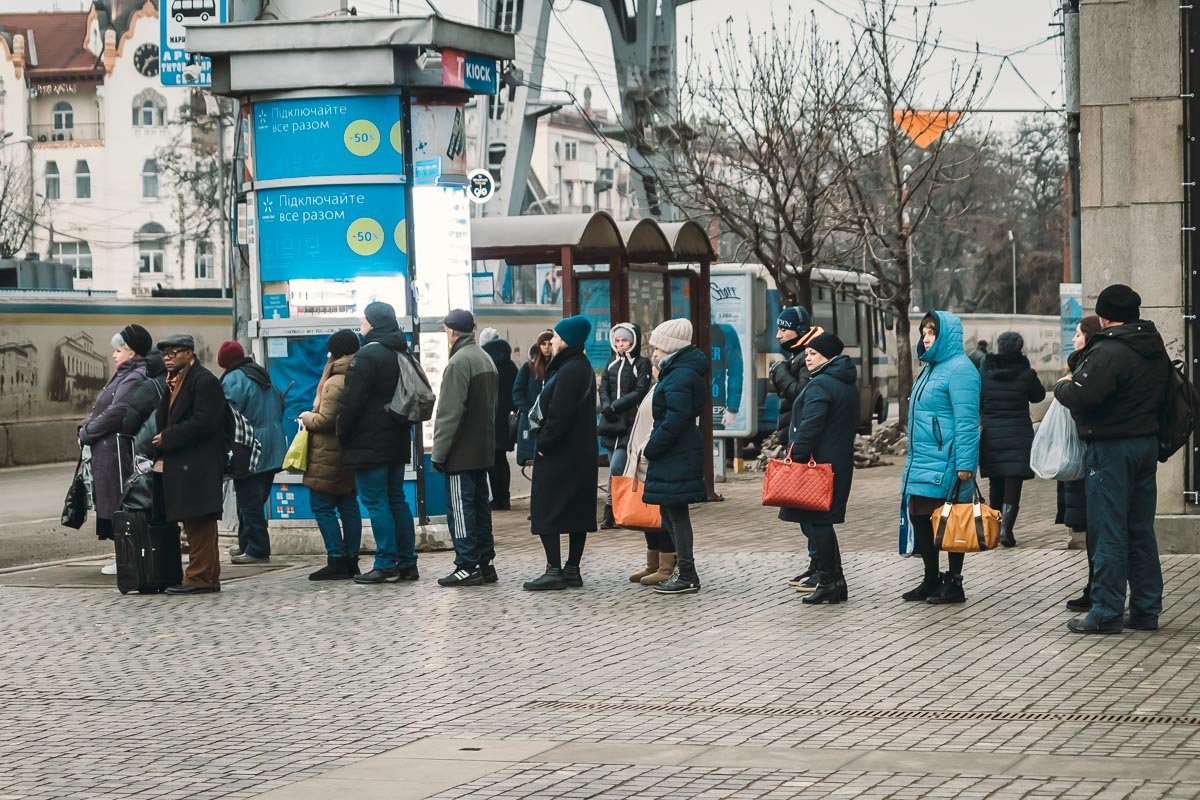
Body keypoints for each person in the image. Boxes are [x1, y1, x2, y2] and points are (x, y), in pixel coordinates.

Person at [1055, 285, 1170, 634]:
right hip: (1145, 444)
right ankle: (1146, 609)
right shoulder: (1153, 346)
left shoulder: (1109, 350)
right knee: (1140, 529)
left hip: (1111, 450)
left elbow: (1083, 394)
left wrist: (1062, 385)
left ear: (1105, 317)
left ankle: (1105, 611)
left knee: (1109, 529)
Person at [899, 311, 981, 605]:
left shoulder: (961, 370)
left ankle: (954, 582)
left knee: (953, 521)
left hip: (948, 461)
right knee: (920, 517)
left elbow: (967, 422)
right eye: (924, 332)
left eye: (932, 332)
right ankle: (931, 578)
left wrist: (965, 465)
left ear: (946, 335)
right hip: (923, 460)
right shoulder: (931, 368)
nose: (926, 338)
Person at [338, 301, 419, 585]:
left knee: (376, 501)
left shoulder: (367, 355)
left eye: (363, 319)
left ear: (372, 323)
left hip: (369, 442)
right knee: (396, 499)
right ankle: (407, 562)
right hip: (397, 438)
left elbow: (351, 402)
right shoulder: (401, 351)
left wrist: (342, 433)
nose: (361, 324)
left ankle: (386, 563)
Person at [780, 333, 858, 605]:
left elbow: (810, 427)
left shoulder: (821, 384)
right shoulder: (844, 382)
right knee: (824, 521)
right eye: (807, 354)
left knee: (819, 523)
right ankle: (835, 581)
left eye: (813, 353)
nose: (808, 358)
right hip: (838, 463)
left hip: (818, 466)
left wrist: (796, 458)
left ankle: (828, 582)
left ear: (828, 356)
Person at [524, 315, 599, 591]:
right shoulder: (580, 366)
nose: (552, 341)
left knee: (547, 508)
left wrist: (544, 443)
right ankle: (572, 569)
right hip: (579, 452)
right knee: (577, 509)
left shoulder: (569, 370)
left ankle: (554, 569)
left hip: (559, 453)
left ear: (566, 340)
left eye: (556, 336)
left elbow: (559, 415)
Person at [149, 333, 226, 594]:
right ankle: (207, 576)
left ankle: (199, 578)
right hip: (185, 462)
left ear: (189, 353)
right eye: (164, 354)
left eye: (173, 353)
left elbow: (205, 422)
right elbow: (165, 418)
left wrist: (168, 437)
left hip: (199, 462)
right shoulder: (175, 381)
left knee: (200, 519)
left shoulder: (204, 381)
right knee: (194, 521)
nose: (167, 358)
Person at [642, 318, 709, 595]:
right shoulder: (678, 371)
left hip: (675, 451)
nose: (654, 353)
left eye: (657, 348)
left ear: (671, 348)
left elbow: (675, 418)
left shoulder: (680, 375)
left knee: (676, 513)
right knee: (669, 512)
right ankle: (684, 570)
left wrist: (652, 447)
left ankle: (687, 573)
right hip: (676, 450)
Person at [432, 310, 500, 588]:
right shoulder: (484, 357)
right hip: (483, 448)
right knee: (480, 507)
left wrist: (439, 453)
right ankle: (485, 563)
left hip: (461, 451)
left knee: (461, 509)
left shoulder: (458, 362)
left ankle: (467, 565)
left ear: (451, 331)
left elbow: (449, 413)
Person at [78, 324, 151, 575]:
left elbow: (117, 412)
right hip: (109, 452)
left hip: (117, 453)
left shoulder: (134, 376)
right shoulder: (125, 374)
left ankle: (127, 559)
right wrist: (85, 426)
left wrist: (87, 432)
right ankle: (123, 557)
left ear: (132, 352)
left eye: (118, 350)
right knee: (113, 504)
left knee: (120, 504)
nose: (114, 355)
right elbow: (103, 409)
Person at [299, 330, 363, 581]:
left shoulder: (335, 381)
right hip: (349, 450)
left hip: (329, 452)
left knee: (322, 505)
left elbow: (326, 420)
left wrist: (306, 417)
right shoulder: (359, 373)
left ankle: (337, 559)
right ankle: (351, 560)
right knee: (348, 504)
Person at [767, 306, 823, 590]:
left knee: (811, 512)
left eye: (783, 329)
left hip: (805, 445)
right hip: (794, 439)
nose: (778, 335)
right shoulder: (797, 356)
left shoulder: (806, 358)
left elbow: (800, 396)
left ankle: (822, 568)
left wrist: (780, 373)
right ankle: (816, 564)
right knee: (803, 512)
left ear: (799, 331)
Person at [218, 340, 286, 565]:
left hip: (250, 446)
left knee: (249, 500)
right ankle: (246, 543)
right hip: (273, 444)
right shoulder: (261, 374)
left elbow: (225, 414)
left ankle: (257, 549)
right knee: (255, 497)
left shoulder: (234, 379)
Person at [977, 331, 1046, 549]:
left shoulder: (985, 372)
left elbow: (978, 399)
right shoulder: (1026, 373)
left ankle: (995, 528)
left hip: (992, 434)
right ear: (1019, 348)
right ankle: (1006, 529)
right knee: (1013, 480)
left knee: (995, 480)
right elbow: (1038, 396)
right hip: (1018, 434)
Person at [1060, 316, 1102, 612]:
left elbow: (1083, 404)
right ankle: (1095, 586)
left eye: (1078, 334)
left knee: (1098, 527)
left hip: (1093, 456)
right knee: (1093, 527)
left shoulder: (1090, 366)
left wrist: (1064, 388)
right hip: (1085, 457)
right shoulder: (1083, 364)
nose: (1074, 339)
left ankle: (1097, 588)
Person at [624, 370, 677, 585]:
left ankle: (667, 565)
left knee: (659, 514)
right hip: (643, 456)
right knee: (648, 513)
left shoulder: (670, 384)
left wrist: (647, 449)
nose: (654, 359)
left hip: (652, 455)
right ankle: (653, 562)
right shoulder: (657, 385)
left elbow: (665, 422)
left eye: (657, 354)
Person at [598, 322, 652, 529]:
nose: (620, 344)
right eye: (617, 340)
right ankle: (616, 511)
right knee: (616, 469)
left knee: (616, 467)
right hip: (611, 423)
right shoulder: (611, 362)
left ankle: (610, 511)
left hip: (630, 423)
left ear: (633, 342)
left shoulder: (642, 363)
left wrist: (616, 406)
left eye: (625, 340)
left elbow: (640, 390)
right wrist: (606, 406)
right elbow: (603, 387)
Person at [480, 327, 517, 511]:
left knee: (490, 461)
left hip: (488, 416)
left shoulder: (484, 363)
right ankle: (504, 497)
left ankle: (495, 498)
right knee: (501, 459)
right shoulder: (510, 364)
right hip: (505, 418)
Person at [513, 330, 553, 468]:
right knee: (532, 457)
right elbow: (517, 392)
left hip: (550, 418)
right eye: (543, 344)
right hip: (530, 419)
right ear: (538, 346)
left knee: (549, 458)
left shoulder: (558, 367)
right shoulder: (528, 367)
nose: (547, 347)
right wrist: (530, 411)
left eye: (550, 343)